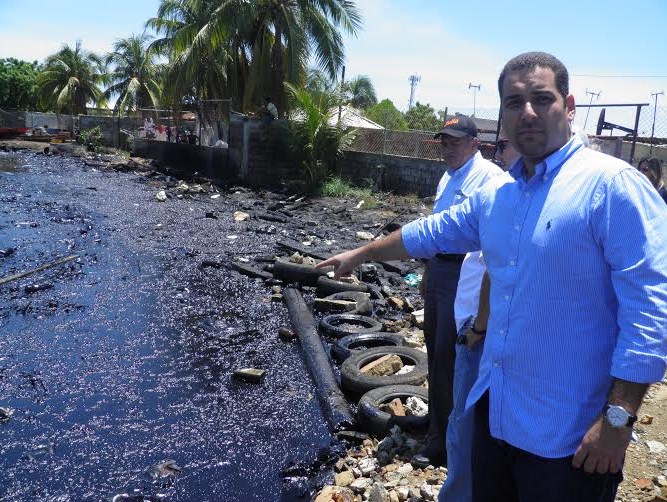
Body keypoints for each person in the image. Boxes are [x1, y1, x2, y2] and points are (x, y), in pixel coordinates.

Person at [317, 51, 667, 502]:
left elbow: (651, 309)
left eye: (542, 98)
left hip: (567, 439)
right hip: (496, 417)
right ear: (501, 114)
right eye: (514, 101)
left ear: (570, 105)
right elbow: (432, 232)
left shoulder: (611, 186)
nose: (527, 112)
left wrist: (617, 423)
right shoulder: (500, 195)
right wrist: (360, 254)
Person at [412, 115, 502, 468]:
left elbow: (490, 246)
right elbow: (437, 229)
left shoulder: (489, 178)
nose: (447, 148)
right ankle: (436, 421)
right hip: (439, 270)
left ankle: (444, 444)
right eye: (444, 142)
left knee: (452, 358)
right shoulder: (448, 176)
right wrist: (426, 272)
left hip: (464, 275)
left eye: (455, 141)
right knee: (434, 350)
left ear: (474, 143)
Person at [439, 131, 520, 501]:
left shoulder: (499, 185)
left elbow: (493, 267)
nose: (500, 152)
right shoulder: (453, 178)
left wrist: (479, 326)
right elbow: (436, 228)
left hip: (480, 322)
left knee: (467, 419)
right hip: (468, 307)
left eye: (504, 146)